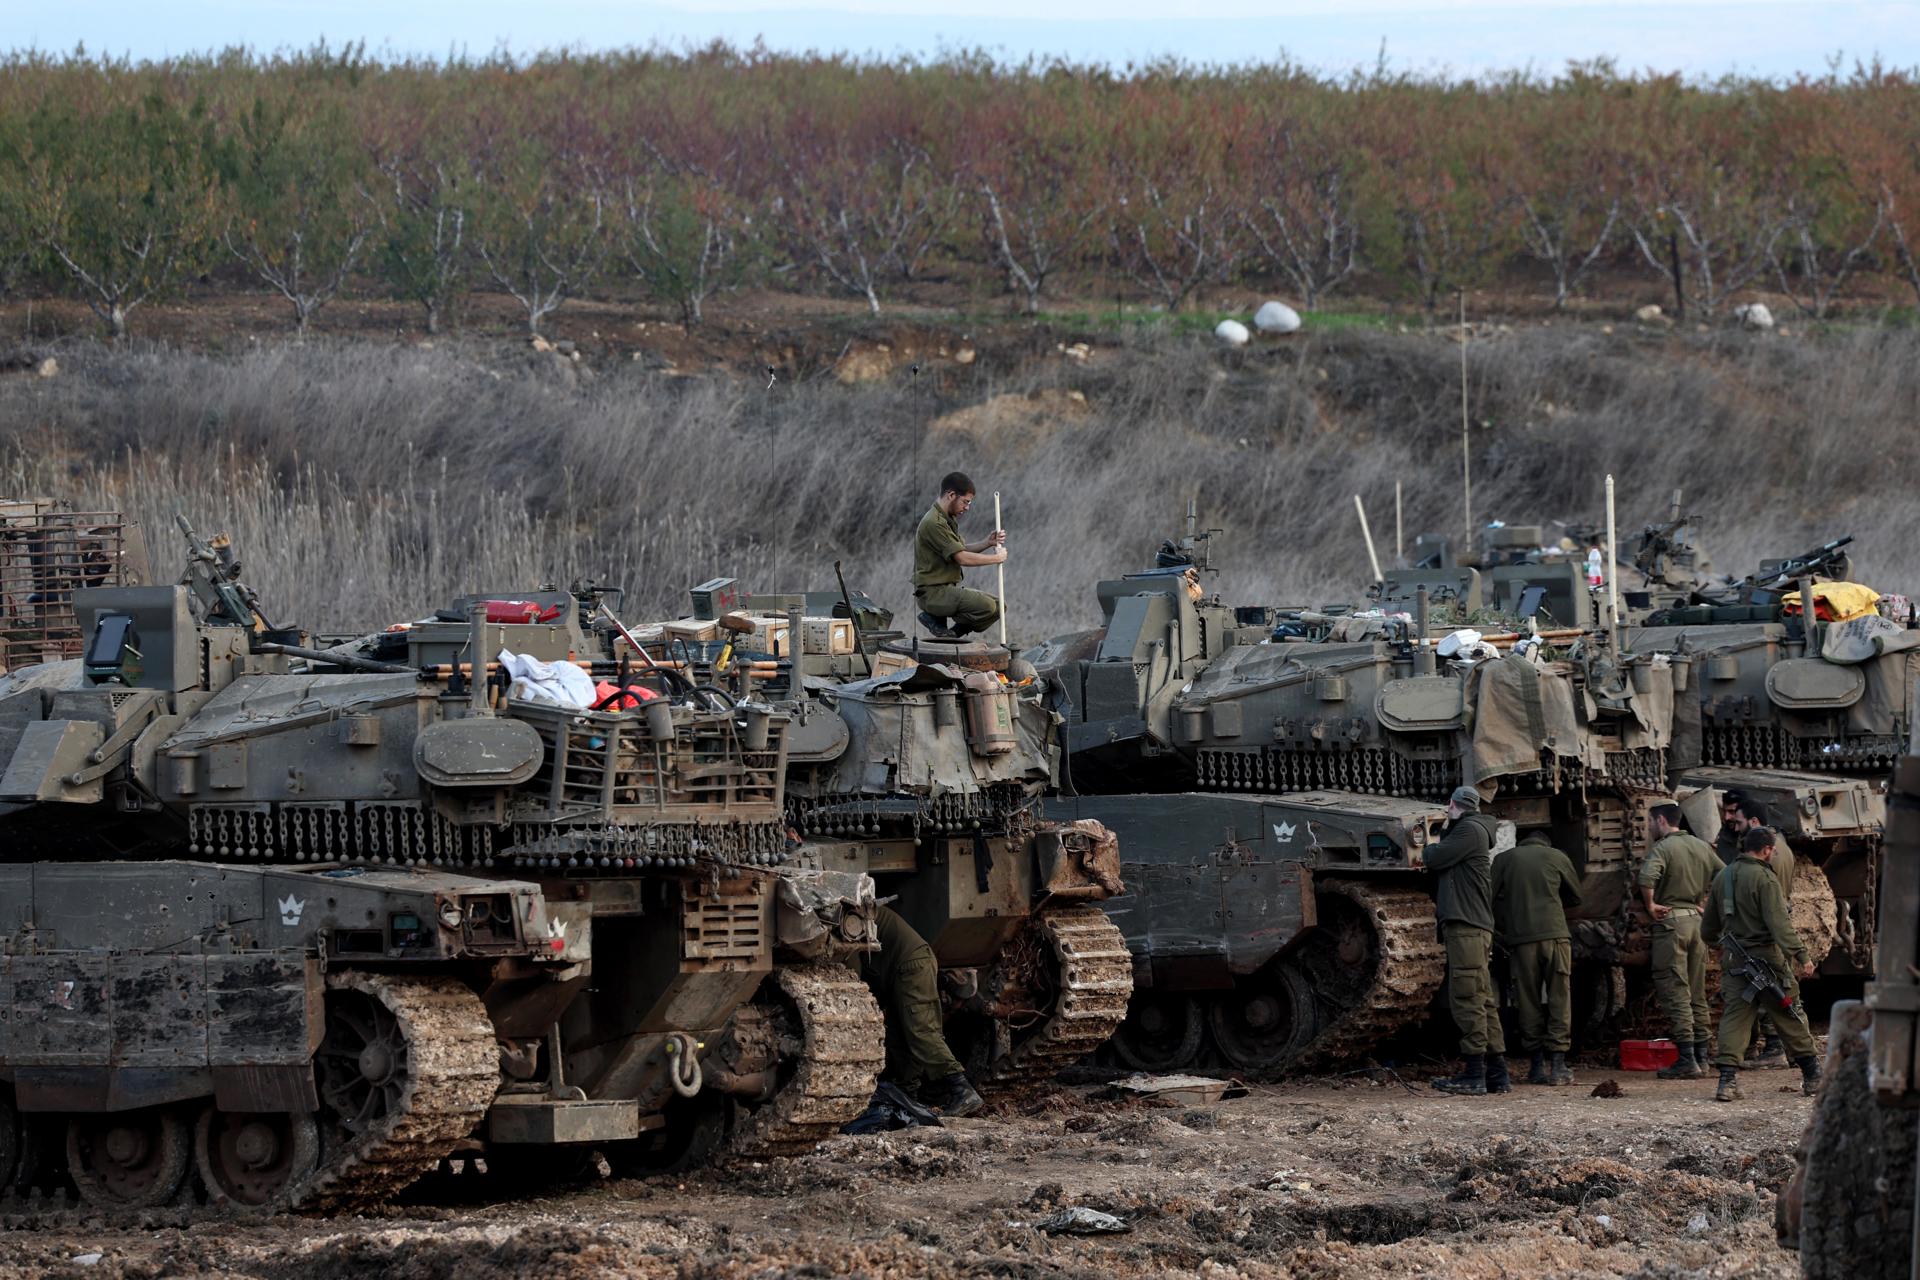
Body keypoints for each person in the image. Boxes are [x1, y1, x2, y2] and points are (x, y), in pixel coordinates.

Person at [1702, 827, 1821, 1102]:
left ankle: (1727, 1083)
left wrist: (1724, 944)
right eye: (1773, 850)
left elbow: (1707, 930)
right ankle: (1813, 1076)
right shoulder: (1765, 879)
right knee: (1788, 1011)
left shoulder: (1723, 877)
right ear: (1766, 849)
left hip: (1735, 960)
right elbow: (1780, 926)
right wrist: (1802, 956)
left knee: (1735, 1017)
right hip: (1767, 960)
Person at [1426, 785, 1510, 1096]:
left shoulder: (1469, 831)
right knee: (1483, 998)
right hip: (1473, 926)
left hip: (1467, 927)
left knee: (1466, 997)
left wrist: (1434, 837)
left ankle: (1475, 1074)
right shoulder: (1474, 830)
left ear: (1453, 804)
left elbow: (1433, 856)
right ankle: (1497, 1074)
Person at [860, 905, 983, 1116]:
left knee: (922, 1032)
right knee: (900, 1038)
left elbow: (852, 976)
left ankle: (962, 1090)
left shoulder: (848, 911)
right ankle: (907, 1098)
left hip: (911, 965)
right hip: (899, 970)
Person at [1715, 793, 1803, 1065]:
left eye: (1737, 819)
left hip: (1762, 934)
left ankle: (1774, 1048)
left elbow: (1768, 906)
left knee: (1769, 994)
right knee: (1778, 995)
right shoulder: (1783, 849)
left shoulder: (1763, 865)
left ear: (1754, 822)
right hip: (1773, 930)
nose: (1733, 823)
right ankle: (1786, 1055)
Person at [1638, 804, 1724, 1080]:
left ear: (1661, 820)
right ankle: (1702, 1055)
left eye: (1650, 822)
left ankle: (1686, 1058)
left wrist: (1651, 905)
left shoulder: (1662, 849)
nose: (1649, 827)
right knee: (1697, 991)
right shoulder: (1701, 847)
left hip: (1672, 924)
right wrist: (1708, 904)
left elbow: (1647, 876)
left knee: (1675, 990)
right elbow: (1724, 876)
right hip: (1697, 925)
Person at [1491, 828, 1583, 1086]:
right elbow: (1576, 896)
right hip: (1555, 936)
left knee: (1527, 999)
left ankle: (1535, 1066)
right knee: (1559, 997)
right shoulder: (1556, 856)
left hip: (1521, 941)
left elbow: (1487, 898)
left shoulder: (1504, 859)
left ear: (1521, 842)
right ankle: (1558, 1066)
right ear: (1546, 843)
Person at [911, 472, 1006, 639]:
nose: (967, 507)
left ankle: (952, 635)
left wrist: (987, 543)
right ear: (951, 495)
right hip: (933, 594)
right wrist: (996, 559)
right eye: (965, 502)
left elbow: (960, 549)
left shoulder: (946, 519)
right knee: (987, 607)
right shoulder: (934, 522)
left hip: (946, 590)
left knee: (999, 607)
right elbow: (961, 558)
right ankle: (932, 617)